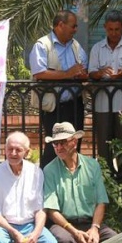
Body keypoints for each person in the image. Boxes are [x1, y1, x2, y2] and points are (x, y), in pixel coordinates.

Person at [42, 122, 116, 243]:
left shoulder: (92, 165)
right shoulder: (49, 170)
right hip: (63, 224)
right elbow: (51, 210)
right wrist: (74, 231)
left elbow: (101, 201)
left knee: (113, 238)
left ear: (74, 142)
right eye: (55, 144)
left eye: (63, 142)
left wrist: (95, 228)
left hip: (89, 222)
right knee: (66, 241)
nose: (58, 147)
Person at [29, 10, 89, 167]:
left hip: (74, 104)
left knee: (74, 144)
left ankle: (73, 178)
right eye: (73, 26)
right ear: (60, 25)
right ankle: (48, 181)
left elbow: (83, 68)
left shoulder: (75, 46)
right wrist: (68, 73)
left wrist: (82, 74)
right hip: (53, 107)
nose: (76, 29)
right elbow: (39, 72)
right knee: (54, 146)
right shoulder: (42, 45)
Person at [88, 10, 122, 177]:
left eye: (117, 29)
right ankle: (106, 179)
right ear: (105, 28)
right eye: (110, 29)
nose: (114, 33)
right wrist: (100, 73)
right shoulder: (97, 48)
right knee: (104, 146)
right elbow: (91, 72)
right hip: (102, 103)